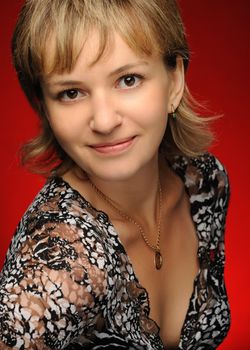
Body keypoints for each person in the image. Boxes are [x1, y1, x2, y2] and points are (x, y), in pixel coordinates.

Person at [0, 0, 230, 349]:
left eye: (128, 79)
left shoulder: (205, 183)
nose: (104, 121)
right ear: (44, 107)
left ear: (174, 81)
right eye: (71, 93)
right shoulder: (61, 257)